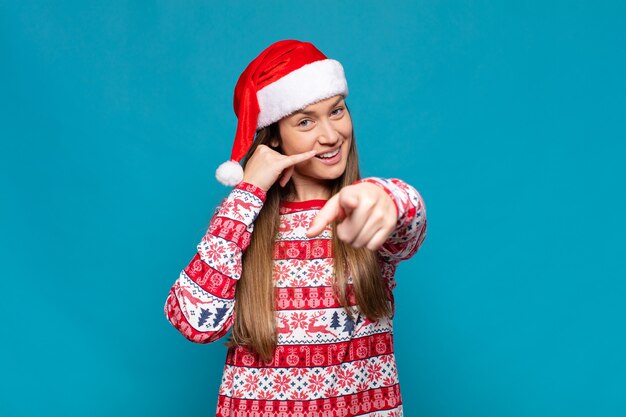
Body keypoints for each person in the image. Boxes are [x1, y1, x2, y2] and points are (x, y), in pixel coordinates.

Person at [164, 39, 428, 417]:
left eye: (336, 111)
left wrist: (389, 197)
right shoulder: (240, 220)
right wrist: (248, 192)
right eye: (305, 121)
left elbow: (409, 223)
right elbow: (192, 320)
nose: (330, 135)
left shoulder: (362, 211)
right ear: (275, 137)